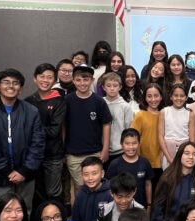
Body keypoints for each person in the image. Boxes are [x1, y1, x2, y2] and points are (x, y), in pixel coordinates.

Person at [0, 68, 44, 207]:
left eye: (15, 83)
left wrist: (24, 170)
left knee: (25, 211)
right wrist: (8, 171)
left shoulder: (32, 112)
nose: (10, 86)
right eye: (6, 82)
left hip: (26, 174)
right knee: (3, 212)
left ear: (21, 89)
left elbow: (38, 144)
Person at [63, 64, 112, 207]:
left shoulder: (98, 101)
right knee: (80, 186)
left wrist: (105, 149)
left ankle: (96, 214)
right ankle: (80, 213)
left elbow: (106, 124)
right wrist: (63, 150)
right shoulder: (68, 101)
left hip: (95, 151)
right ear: (73, 81)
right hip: (73, 153)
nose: (82, 83)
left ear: (91, 80)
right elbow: (63, 126)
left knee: (95, 186)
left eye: (86, 79)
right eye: (78, 80)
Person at [24, 63, 67, 203]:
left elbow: (54, 131)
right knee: (35, 191)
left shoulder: (59, 101)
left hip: (53, 154)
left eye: (49, 77)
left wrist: (32, 131)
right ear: (35, 79)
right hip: (32, 155)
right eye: (42, 76)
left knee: (53, 192)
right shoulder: (27, 102)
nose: (45, 80)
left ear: (54, 81)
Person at [106, 128, 152, 208]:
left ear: (139, 143)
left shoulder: (145, 163)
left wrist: (149, 204)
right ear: (121, 144)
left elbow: (148, 184)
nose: (131, 147)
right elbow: (109, 187)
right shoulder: (114, 164)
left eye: (134, 143)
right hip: (120, 207)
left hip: (140, 207)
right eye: (127, 143)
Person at [131, 84, 164, 190]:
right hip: (145, 161)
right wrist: (138, 160)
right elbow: (134, 139)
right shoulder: (140, 115)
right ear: (145, 98)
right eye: (149, 96)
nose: (153, 99)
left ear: (161, 97)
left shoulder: (164, 114)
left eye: (156, 95)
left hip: (162, 162)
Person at [101, 72, 136, 166]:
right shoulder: (99, 103)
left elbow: (129, 129)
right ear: (103, 87)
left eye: (115, 85)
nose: (112, 88)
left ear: (120, 87)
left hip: (120, 150)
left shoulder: (125, 107)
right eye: (108, 85)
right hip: (102, 149)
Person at [73, 156, 112, 221]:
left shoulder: (110, 194)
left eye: (94, 174)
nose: (90, 178)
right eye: (86, 174)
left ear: (102, 174)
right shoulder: (80, 195)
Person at [159, 83, 192, 169]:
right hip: (168, 151)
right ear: (171, 97)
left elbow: (192, 139)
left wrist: (189, 154)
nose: (179, 98)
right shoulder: (164, 112)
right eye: (176, 95)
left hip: (185, 150)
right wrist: (169, 158)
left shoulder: (190, 114)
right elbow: (160, 136)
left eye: (182, 96)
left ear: (186, 97)